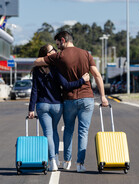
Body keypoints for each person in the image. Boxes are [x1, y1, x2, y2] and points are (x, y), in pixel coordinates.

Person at [34, 31, 109, 173]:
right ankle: (80, 164)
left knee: (68, 130)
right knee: (83, 132)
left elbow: (37, 62)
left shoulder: (59, 56)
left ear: (63, 40)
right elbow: (97, 75)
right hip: (87, 98)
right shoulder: (86, 54)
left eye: (58, 44)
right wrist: (103, 97)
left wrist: (47, 56)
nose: (58, 47)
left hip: (69, 99)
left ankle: (67, 161)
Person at [29, 44, 90, 172]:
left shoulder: (36, 70)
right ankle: (56, 158)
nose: (56, 52)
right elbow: (67, 85)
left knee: (48, 133)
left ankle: (53, 161)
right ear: (47, 54)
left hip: (42, 105)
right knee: (54, 131)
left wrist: (31, 109)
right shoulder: (56, 69)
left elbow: (34, 90)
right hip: (57, 105)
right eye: (53, 50)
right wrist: (82, 80)